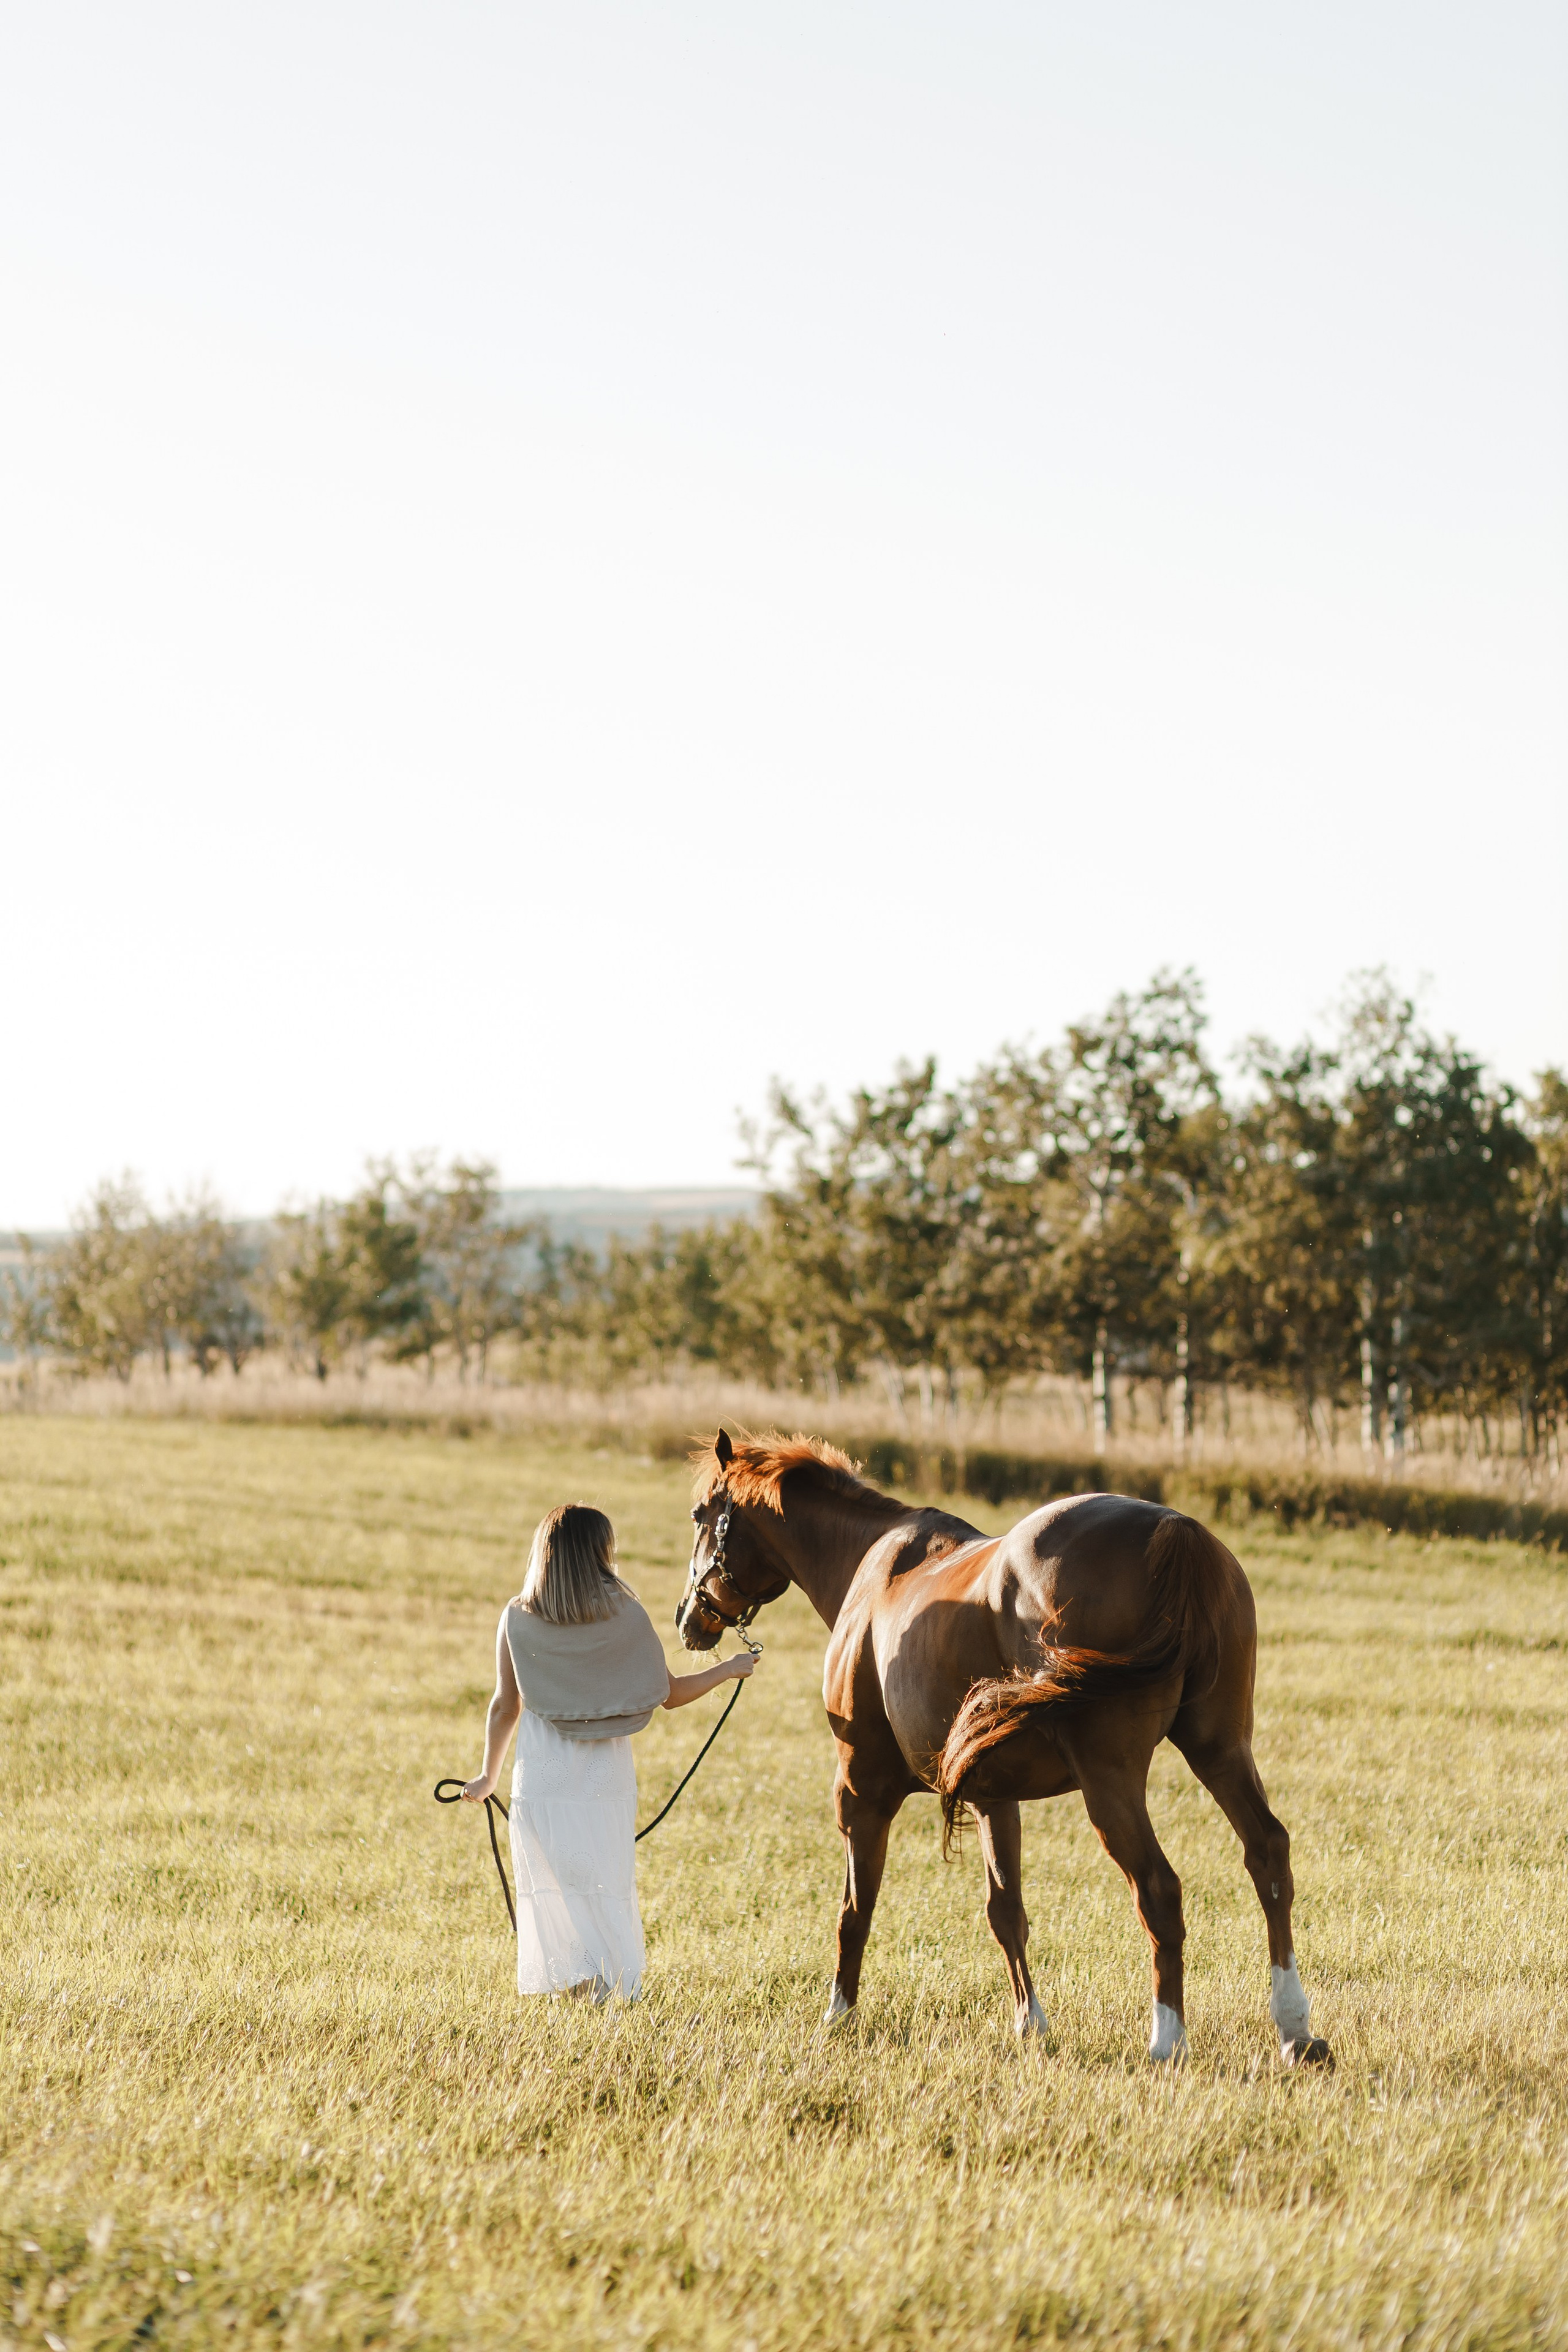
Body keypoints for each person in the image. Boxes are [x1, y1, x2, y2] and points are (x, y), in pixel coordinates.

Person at [462, 1502, 757, 2002]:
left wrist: (488, 1776)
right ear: (600, 1553)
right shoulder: (625, 1614)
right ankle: (612, 1991)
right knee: (602, 1884)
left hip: (540, 1777)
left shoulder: (516, 1616)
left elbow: (504, 1705)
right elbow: (669, 1694)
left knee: (553, 1890)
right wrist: (728, 1668)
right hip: (603, 1778)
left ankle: (572, 1991)